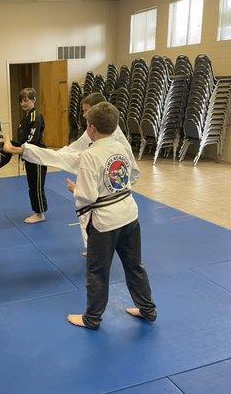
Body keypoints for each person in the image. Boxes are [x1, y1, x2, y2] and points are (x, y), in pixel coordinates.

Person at [65, 102, 157, 330]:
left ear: (91, 128)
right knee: (135, 266)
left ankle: (92, 318)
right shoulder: (122, 147)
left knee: (97, 272)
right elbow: (133, 175)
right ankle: (148, 310)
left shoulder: (90, 154)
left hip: (105, 223)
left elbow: (87, 195)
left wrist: (75, 188)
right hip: (129, 215)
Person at [3, 93, 131, 254]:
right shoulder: (96, 133)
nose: (83, 115)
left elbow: (130, 170)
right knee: (89, 211)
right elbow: (71, 150)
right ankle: (93, 246)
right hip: (122, 204)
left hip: (110, 193)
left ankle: (98, 248)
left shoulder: (108, 142)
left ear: (97, 113)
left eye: (86, 111)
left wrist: (77, 189)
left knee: (91, 206)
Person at [16, 88, 48, 224]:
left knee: (37, 186)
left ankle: (40, 214)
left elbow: (32, 139)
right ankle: (37, 211)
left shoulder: (36, 116)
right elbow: (21, 137)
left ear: (33, 100)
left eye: (26, 101)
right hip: (29, 155)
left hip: (37, 156)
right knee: (32, 186)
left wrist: (19, 150)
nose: (23, 104)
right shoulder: (26, 117)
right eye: (21, 101)